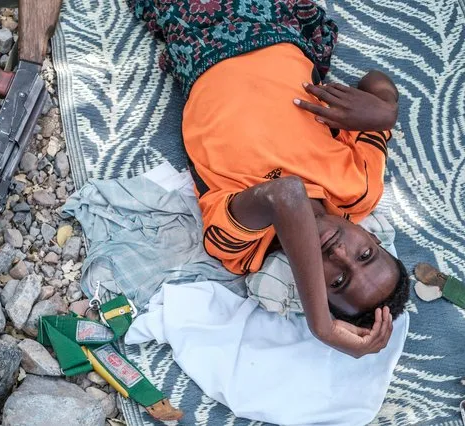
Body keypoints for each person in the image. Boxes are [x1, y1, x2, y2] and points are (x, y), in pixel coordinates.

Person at [128, 0, 410, 358]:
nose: (340, 252)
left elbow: (285, 195)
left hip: (200, 36)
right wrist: (385, 111)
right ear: (373, 235)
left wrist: (321, 326)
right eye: (366, 253)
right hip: (280, 24)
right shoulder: (358, 188)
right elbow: (376, 82)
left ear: (310, 292)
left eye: (338, 281)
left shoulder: (241, 247)